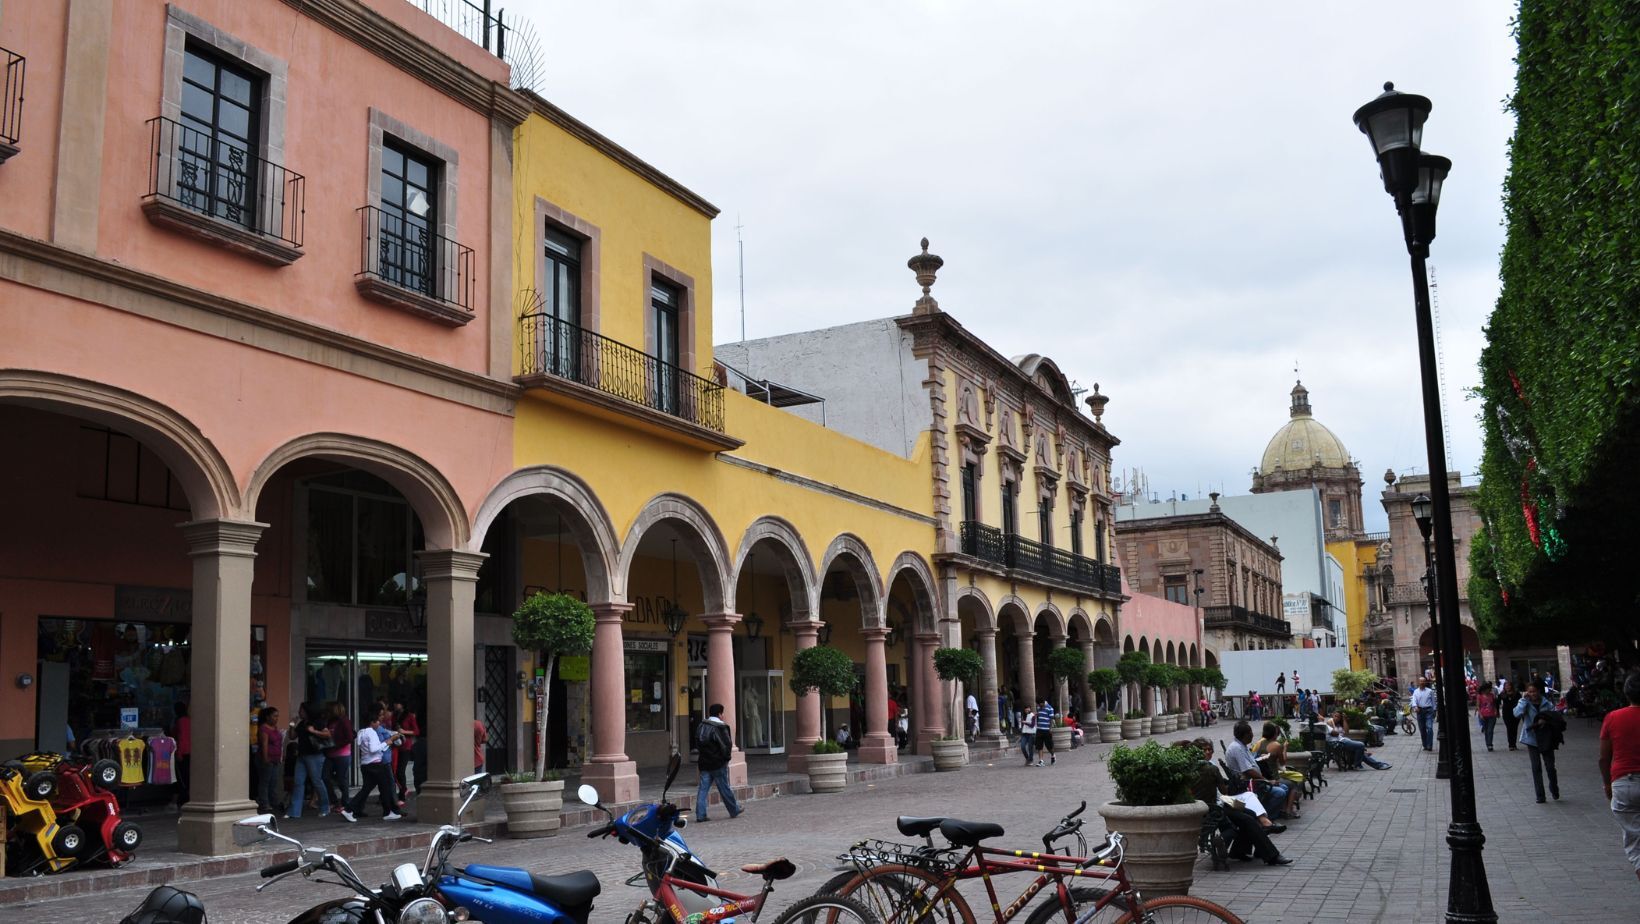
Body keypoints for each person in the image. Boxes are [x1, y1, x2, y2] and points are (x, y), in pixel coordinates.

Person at [1191, 739, 1291, 866]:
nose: (1207, 752)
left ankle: (1242, 849)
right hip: (1219, 805)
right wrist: (1232, 784)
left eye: (1209, 749)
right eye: (1204, 750)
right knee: (1248, 818)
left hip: (1221, 801)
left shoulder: (1206, 765)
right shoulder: (1210, 768)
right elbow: (1224, 791)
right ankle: (1271, 854)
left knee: (1250, 810)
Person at [1598, 672, 1640, 881]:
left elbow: (1604, 758)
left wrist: (1607, 784)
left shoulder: (1614, 717)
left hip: (1625, 782)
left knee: (1635, 840)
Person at [341, 706, 404, 822]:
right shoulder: (371, 732)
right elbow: (374, 749)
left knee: (367, 788)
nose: (378, 723)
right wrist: (388, 741)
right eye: (377, 721)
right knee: (385, 787)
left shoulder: (362, 732)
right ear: (372, 722)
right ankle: (387, 812)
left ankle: (349, 809)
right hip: (375, 764)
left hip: (365, 764)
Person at [1225, 721, 1296, 820]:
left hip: (1255, 779)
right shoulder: (1237, 748)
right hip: (1248, 783)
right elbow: (1248, 770)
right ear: (1245, 735)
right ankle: (1266, 817)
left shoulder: (1242, 746)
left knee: (1283, 787)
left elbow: (1250, 763)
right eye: (1251, 733)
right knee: (1281, 792)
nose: (1252, 735)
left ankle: (1271, 813)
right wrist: (1266, 780)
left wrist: (1259, 759)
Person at [694, 703, 742, 822]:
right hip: (718, 764)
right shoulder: (721, 727)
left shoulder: (701, 725)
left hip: (704, 763)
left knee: (703, 789)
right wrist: (725, 759)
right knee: (724, 788)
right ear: (720, 714)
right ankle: (734, 809)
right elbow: (726, 746)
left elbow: (698, 743)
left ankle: (700, 814)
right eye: (722, 713)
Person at [1516, 681, 1562, 803]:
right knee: (1536, 767)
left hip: (1546, 738)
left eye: (1534, 691)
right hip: (1531, 739)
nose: (1532, 694)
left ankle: (1554, 788)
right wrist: (1523, 701)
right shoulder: (1525, 703)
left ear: (1539, 691)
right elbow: (1516, 713)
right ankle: (1540, 795)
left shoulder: (1547, 703)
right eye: (1530, 692)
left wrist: (1545, 721)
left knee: (1550, 767)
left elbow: (1555, 716)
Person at [286, 701, 330, 820]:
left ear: (307, 711)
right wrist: (292, 724)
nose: (299, 712)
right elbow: (292, 737)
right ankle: (294, 811)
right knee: (298, 782)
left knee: (316, 781)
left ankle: (325, 807)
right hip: (302, 755)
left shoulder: (317, 722)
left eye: (301, 710)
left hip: (314, 755)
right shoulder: (301, 723)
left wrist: (313, 731)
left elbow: (327, 734)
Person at [1324, 711, 1391, 770]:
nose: (1336, 718)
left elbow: (1346, 732)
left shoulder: (1339, 723)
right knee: (1361, 745)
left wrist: (1344, 719)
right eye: (1335, 716)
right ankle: (1358, 765)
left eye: (1338, 717)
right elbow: (1335, 733)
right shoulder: (1329, 722)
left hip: (1343, 739)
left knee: (1361, 750)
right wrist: (1338, 731)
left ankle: (1378, 765)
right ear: (1332, 715)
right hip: (1339, 741)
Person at [323, 701, 354, 811]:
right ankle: (334, 801)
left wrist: (337, 745)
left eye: (329, 711)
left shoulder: (344, 721)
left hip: (342, 754)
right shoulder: (330, 722)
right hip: (330, 753)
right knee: (325, 777)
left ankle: (345, 802)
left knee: (342, 779)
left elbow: (350, 738)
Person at [255, 706, 285, 815]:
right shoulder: (264, 728)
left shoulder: (275, 728)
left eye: (277, 716)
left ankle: (273, 802)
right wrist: (265, 758)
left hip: (276, 759)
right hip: (267, 759)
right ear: (267, 717)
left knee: (273, 781)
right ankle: (264, 803)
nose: (276, 718)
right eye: (274, 716)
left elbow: (279, 743)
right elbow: (264, 744)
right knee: (265, 781)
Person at [172, 702, 192, 808]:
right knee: (187, 775)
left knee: (182, 777)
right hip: (190, 751)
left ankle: (182, 798)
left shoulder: (180, 721)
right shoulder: (190, 720)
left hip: (183, 752)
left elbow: (181, 738)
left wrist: (179, 753)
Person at [1411, 677, 1437, 751]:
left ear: (1426, 682)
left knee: (1429, 728)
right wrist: (1415, 707)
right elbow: (1414, 700)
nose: (1422, 683)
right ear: (1419, 682)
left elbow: (1433, 702)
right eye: (1421, 681)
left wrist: (1434, 710)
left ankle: (1429, 745)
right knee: (1422, 729)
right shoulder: (1416, 691)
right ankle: (1425, 745)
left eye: (1423, 681)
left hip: (1428, 711)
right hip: (1420, 711)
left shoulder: (1430, 691)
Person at [1474, 684, 1500, 751]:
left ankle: (1490, 744)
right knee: (1486, 731)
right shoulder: (1479, 696)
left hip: (1492, 715)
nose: (1490, 690)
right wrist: (1480, 714)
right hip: (1484, 716)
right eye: (1489, 689)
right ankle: (1488, 744)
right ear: (1485, 689)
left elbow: (1494, 704)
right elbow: (1478, 706)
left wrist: (1496, 711)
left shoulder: (1492, 695)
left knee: (1490, 730)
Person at [1500, 680, 1523, 750]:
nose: (1507, 687)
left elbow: (1521, 701)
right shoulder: (1503, 694)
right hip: (1506, 713)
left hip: (1516, 713)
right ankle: (1511, 744)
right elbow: (1497, 701)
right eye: (1506, 686)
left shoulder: (1516, 694)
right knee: (1509, 728)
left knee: (1515, 728)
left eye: (1509, 685)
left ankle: (1514, 743)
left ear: (1511, 686)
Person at [1033, 697, 1056, 767]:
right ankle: (1041, 761)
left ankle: (1053, 755)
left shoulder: (1050, 708)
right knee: (1039, 746)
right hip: (1039, 729)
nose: (1038, 706)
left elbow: (1051, 719)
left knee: (1049, 746)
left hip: (1046, 730)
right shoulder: (1039, 708)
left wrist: (1050, 728)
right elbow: (1039, 715)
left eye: (1039, 704)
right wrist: (1036, 714)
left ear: (1042, 703)